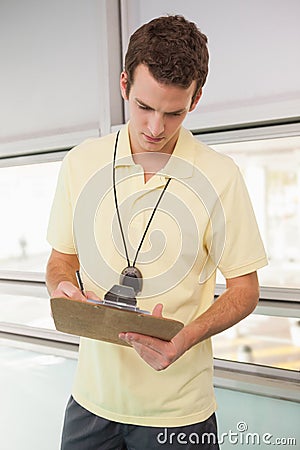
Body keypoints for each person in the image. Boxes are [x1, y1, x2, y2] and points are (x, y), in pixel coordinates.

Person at [46, 15, 268, 449]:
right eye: (144, 107)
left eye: (173, 113)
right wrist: (61, 289)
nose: (154, 128)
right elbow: (61, 259)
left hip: (179, 415)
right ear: (125, 84)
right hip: (90, 403)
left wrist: (182, 340)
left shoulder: (220, 176)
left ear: (196, 99)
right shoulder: (80, 163)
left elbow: (246, 289)